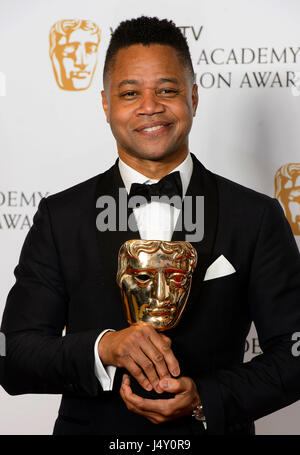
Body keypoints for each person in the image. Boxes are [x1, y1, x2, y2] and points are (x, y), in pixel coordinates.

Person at [1, 16, 300, 436]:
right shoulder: (60, 218)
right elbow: (12, 355)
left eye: (167, 90)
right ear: (106, 104)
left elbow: (295, 352)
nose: (149, 106)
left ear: (193, 97)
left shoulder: (255, 216)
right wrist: (104, 347)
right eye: (129, 93)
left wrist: (206, 398)